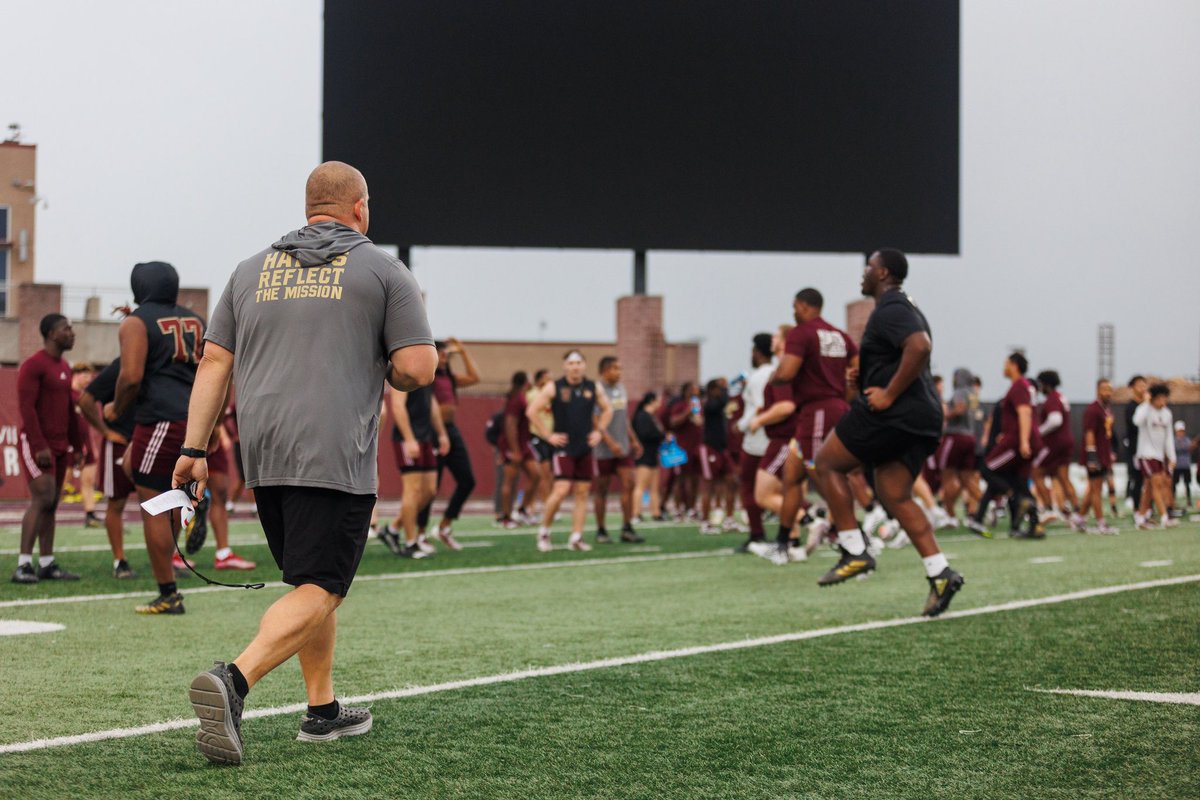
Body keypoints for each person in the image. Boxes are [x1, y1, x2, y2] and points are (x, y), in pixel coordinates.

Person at [173, 161, 436, 764]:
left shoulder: (249, 269)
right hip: (334, 447)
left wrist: (193, 449)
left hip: (263, 451)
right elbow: (418, 368)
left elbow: (214, 363)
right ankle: (233, 681)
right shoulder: (383, 268)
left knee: (308, 581)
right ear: (360, 209)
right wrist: (390, 368)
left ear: (308, 206)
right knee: (322, 586)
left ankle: (322, 710)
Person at [812, 249, 962, 617]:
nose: (862, 275)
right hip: (922, 417)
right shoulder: (905, 306)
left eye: (867, 268)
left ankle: (854, 548)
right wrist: (864, 378)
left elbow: (919, 347)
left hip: (896, 411)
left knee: (826, 464)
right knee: (894, 494)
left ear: (881, 273)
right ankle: (940, 572)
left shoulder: (892, 306)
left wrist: (888, 392)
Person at [104, 261, 205, 613]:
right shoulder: (195, 320)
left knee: (153, 507)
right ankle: (191, 509)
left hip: (159, 419)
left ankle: (168, 592)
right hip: (192, 420)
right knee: (138, 467)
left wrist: (116, 409)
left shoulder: (136, 322)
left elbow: (130, 377)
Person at [12, 314, 83, 584]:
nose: (72, 333)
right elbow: (26, 408)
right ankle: (22, 565)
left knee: (52, 503)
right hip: (37, 443)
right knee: (42, 498)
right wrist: (39, 444)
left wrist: (77, 445)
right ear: (52, 334)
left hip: (60, 445)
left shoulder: (64, 367)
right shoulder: (34, 365)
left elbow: (68, 410)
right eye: (67, 329)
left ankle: (46, 563)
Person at [527, 351, 612, 552]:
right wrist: (548, 435)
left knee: (582, 493)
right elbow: (532, 411)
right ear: (565, 366)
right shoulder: (554, 387)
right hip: (564, 446)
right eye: (571, 363)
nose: (575, 366)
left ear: (584, 365)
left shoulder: (593, 387)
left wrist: (600, 432)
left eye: (579, 362)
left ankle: (576, 536)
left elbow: (607, 409)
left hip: (585, 446)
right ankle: (544, 531)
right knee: (561, 490)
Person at [969, 353, 1042, 538]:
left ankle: (1014, 498)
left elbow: (1024, 413)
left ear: (1014, 365)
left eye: (1006, 363)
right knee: (1018, 480)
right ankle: (1032, 526)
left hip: (1016, 441)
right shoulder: (1025, 386)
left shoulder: (1019, 386)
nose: (1003, 367)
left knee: (987, 469)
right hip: (1026, 439)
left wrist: (1023, 441)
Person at [78, 358, 138, 578]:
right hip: (121, 441)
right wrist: (105, 431)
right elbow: (86, 400)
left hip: (149, 438)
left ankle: (168, 557)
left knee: (162, 502)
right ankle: (119, 560)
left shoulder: (159, 363)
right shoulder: (120, 366)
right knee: (117, 501)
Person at [415, 338, 479, 543]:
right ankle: (419, 532)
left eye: (446, 355)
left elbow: (475, 377)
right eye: (442, 354)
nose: (444, 358)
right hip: (432, 432)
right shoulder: (429, 377)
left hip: (451, 431)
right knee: (432, 486)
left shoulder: (449, 377)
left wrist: (463, 352)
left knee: (467, 480)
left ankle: (445, 525)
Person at [382, 383, 451, 557]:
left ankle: (393, 528)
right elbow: (397, 406)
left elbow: (432, 402)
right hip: (408, 438)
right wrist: (409, 438)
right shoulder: (404, 371)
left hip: (425, 437)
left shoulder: (427, 372)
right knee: (412, 490)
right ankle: (411, 543)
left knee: (429, 490)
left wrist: (441, 433)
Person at [592, 357, 644, 544]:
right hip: (603, 449)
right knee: (602, 489)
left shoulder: (621, 388)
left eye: (620, 368)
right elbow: (595, 420)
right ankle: (601, 529)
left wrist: (633, 439)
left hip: (623, 448)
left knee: (629, 483)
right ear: (604, 370)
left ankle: (627, 527)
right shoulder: (597, 390)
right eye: (615, 368)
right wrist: (610, 442)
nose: (619, 372)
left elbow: (624, 418)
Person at [733, 333, 775, 551]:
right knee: (783, 486)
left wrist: (740, 425)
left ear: (757, 352)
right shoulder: (777, 373)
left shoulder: (759, 377)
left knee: (749, 487)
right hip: (775, 437)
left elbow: (760, 408)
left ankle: (757, 533)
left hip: (758, 440)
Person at [1070, 379, 1118, 534]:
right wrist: (1092, 456)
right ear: (1098, 390)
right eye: (1105, 389)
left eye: (1110, 389)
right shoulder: (1092, 410)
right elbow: (1089, 433)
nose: (1108, 393)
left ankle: (1079, 519)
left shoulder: (1107, 410)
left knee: (1093, 489)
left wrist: (1110, 452)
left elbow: (1107, 434)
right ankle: (1101, 523)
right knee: (1096, 489)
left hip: (1103, 454)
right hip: (1094, 455)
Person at [495, 371, 541, 530]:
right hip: (512, 445)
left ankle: (522, 509)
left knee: (536, 475)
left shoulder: (521, 397)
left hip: (524, 443)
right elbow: (510, 425)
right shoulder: (516, 399)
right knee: (509, 480)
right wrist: (514, 450)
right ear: (525, 382)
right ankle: (505, 516)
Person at [1032, 370, 1077, 521]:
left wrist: (1038, 432)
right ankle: (1076, 513)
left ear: (1046, 384)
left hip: (1054, 443)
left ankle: (1048, 508)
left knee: (1036, 472)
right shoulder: (1061, 397)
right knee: (1063, 478)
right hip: (1066, 441)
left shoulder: (1052, 399)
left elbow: (1055, 420)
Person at [938, 368, 981, 523]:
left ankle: (949, 515)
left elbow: (959, 409)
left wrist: (943, 416)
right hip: (969, 436)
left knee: (947, 474)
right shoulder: (972, 393)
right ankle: (984, 507)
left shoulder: (960, 392)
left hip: (955, 437)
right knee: (966, 478)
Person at [1132, 384, 1177, 530]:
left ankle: (1141, 517)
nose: (1162, 401)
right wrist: (1145, 403)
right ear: (1153, 398)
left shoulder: (1167, 414)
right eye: (1159, 398)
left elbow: (1169, 437)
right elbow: (1137, 421)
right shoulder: (1144, 409)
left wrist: (1172, 457)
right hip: (1145, 454)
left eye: (1164, 398)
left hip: (1158, 456)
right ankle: (1164, 517)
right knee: (1157, 483)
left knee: (1150, 488)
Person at [697, 379, 732, 534]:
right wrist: (725, 389)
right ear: (712, 390)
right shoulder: (709, 403)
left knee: (732, 481)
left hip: (721, 448)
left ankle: (729, 520)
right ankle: (705, 522)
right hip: (710, 448)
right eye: (719, 388)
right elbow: (722, 402)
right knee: (708, 486)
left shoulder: (717, 403)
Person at [70, 362, 102, 528]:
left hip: (85, 442)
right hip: (69, 443)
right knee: (59, 483)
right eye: (86, 377)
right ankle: (46, 512)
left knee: (88, 480)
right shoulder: (68, 394)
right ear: (78, 375)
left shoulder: (83, 397)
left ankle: (90, 514)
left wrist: (90, 445)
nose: (88, 381)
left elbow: (86, 423)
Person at [665, 381, 703, 519]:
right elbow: (674, 422)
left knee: (694, 480)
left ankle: (692, 508)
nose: (697, 392)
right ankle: (678, 509)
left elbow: (701, 422)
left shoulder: (700, 405)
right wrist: (688, 411)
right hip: (681, 449)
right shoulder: (679, 406)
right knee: (679, 480)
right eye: (694, 389)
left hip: (697, 448)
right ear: (687, 391)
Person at [631, 392, 666, 521]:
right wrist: (661, 436)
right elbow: (645, 434)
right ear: (652, 401)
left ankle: (656, 513)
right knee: (640, 485)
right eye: (658, 400)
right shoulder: (642, 416)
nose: (660, 403)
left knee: (654, 487)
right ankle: (636, 513)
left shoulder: (652, 417)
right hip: (643, 455)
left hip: (653, 454)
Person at [1123, 375, 1148, 509]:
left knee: (1150, 480)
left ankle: (1148, 509)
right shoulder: (1131, 407)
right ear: (1133, 388)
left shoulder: (1149, 405)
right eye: (1139, 385)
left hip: (1149, 449)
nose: (1142, 388)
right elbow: (1135, 425)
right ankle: (1137, 510)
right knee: (1137, 478)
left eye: (1144, 385)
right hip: (1136, 449)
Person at [1172, 421, 1192, 510]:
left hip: (1186, 465)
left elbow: (1189, 447)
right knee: (1174, 484)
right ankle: (1173, 500)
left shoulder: (1187, 439)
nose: (1181, 433)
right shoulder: (1173, 440)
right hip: (1177, 466)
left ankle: (1189, 500)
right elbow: (1180, 447)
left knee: (1187, 483)